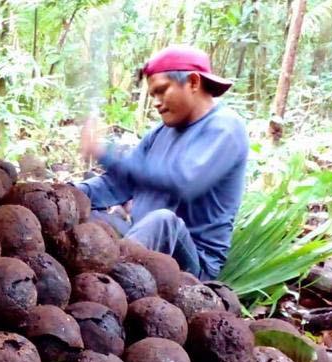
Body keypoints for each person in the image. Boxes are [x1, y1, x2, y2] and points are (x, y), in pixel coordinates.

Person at [77, 45, 249, 280]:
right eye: (153, 95)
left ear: (193, 82)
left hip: (190, 261)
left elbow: (183, 182)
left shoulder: (226, 128)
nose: (156, 102)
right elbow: (120, 183)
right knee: (83, 219)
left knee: (163, 220)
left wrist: (106, 154)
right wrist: (69, 195)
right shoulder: (160, 132)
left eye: (161, 91)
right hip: (140, 238)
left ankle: (106, 287)